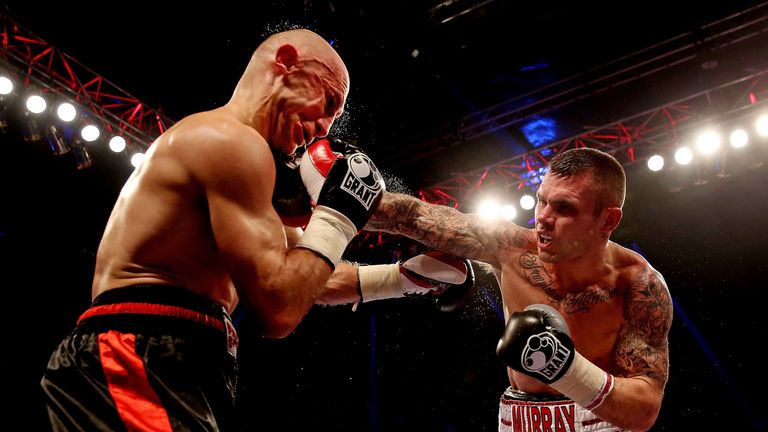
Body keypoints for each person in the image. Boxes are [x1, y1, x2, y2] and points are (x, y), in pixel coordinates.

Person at [39, 28, 474, 431]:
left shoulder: (248, 164)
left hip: (172, 354)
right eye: (327, 104)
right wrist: (338, 215)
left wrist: (404, 279)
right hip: (137, 351)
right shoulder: (229, 142)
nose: (325, 128)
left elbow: (304, 276)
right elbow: (279, 307)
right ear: (286, 62)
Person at [358, 147, 673, 432]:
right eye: (542, 199)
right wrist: (345, 195)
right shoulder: (510, 248)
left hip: (598, 421)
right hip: (518, 419)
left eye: (564, 208)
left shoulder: (638, 284)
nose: (543, 218)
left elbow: (644, 409)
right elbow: (415, 217)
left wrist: (565, 367)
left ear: (608, 220)